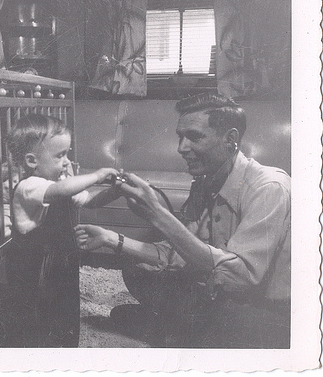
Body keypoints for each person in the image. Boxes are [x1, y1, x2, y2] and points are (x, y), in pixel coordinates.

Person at [75, 93, 291, 348]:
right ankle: (181, 329)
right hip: (218, 294)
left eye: (195, 137)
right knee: (136, 269)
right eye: (180, 136)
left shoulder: (269, 188)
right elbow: (179, 253)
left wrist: (158, 213)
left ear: (230, 139)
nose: (181, 148)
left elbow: (240, 280)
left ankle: (177, 332)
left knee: (230, 319)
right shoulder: (204, 181)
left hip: (263, 306)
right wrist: (112, 239)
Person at [4, 113, 120, 347]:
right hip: (34, 262)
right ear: (31, 161)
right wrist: (97, 175)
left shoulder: (61, 183)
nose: (67, 161)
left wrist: (118, 191)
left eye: (67, 153)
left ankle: (65, 348)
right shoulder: (29, 186)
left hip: (62, 257)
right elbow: (60, 191)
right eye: (60, 155)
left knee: (66, 305)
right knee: (37, 312)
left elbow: (90, 201)